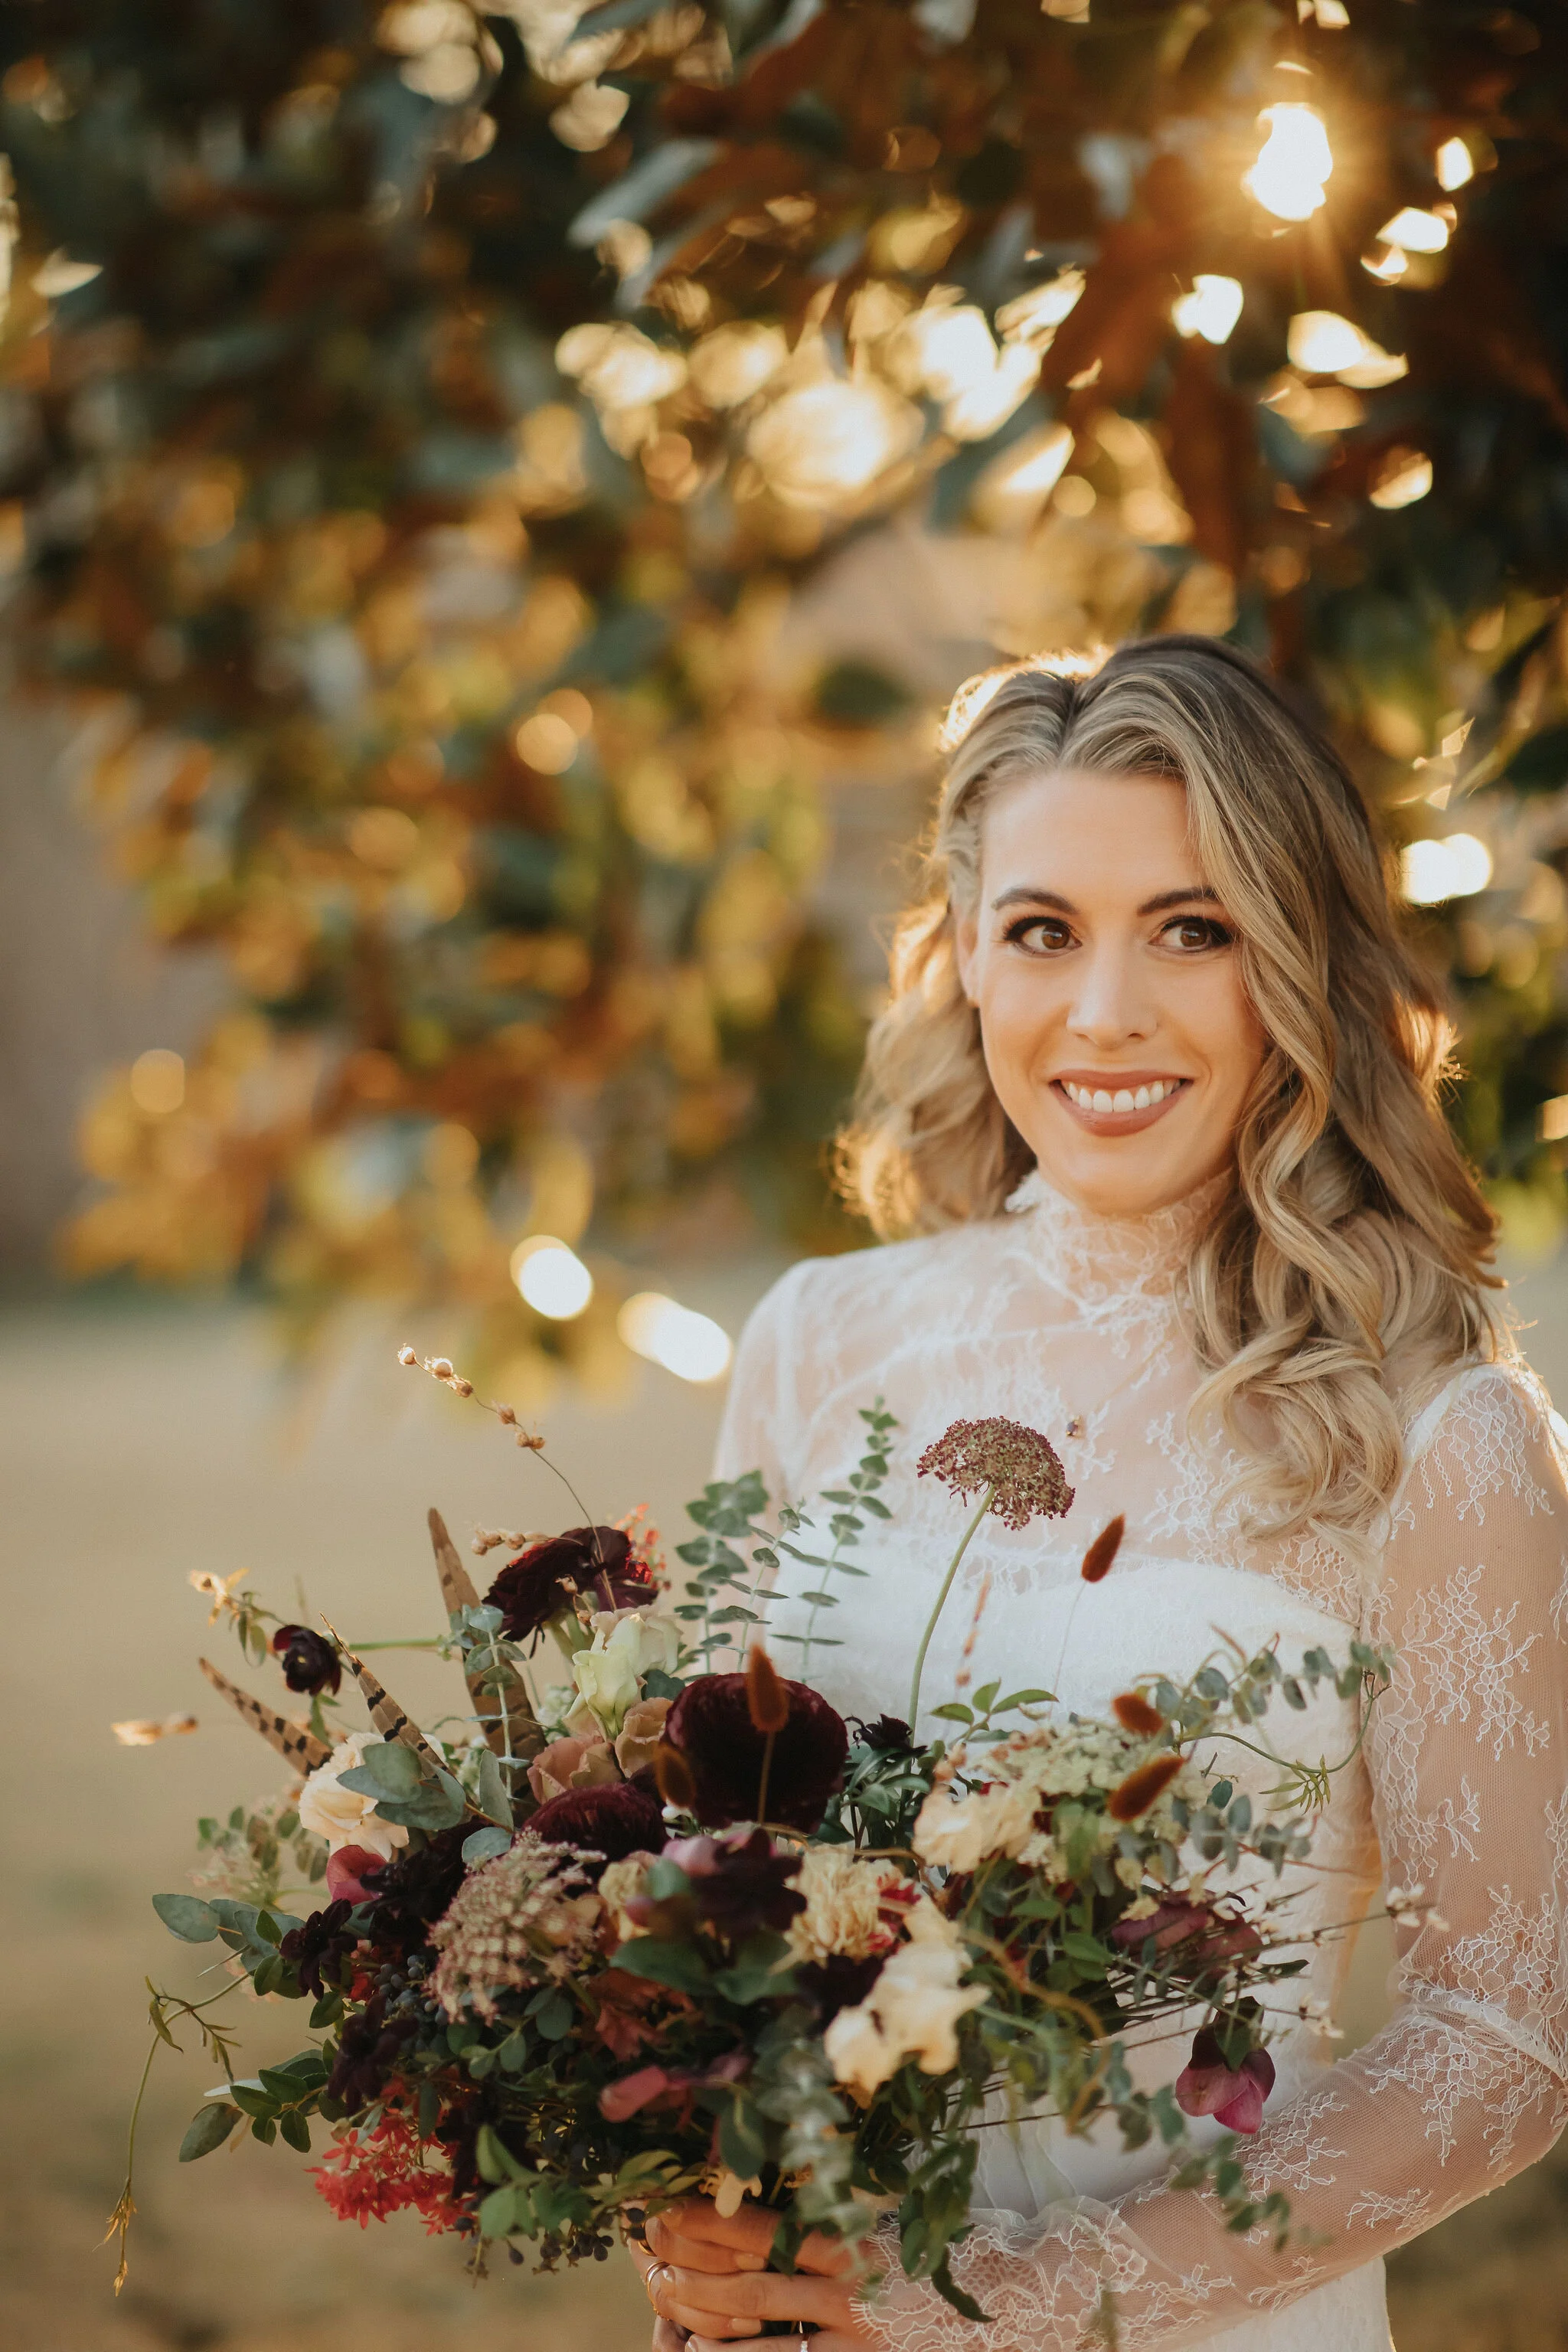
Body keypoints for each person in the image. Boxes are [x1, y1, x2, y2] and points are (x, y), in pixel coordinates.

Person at [631, 637, 1568, 2350]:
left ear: (1296, 962)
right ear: (968, 954)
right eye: (1045, 931)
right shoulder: (817, 1342)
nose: (1106, 1010)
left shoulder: (1432, 1431)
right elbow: (701, 1879)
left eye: (1191, 930)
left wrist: (993, 2308)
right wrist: (694, 2210)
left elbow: (1503, 2047)